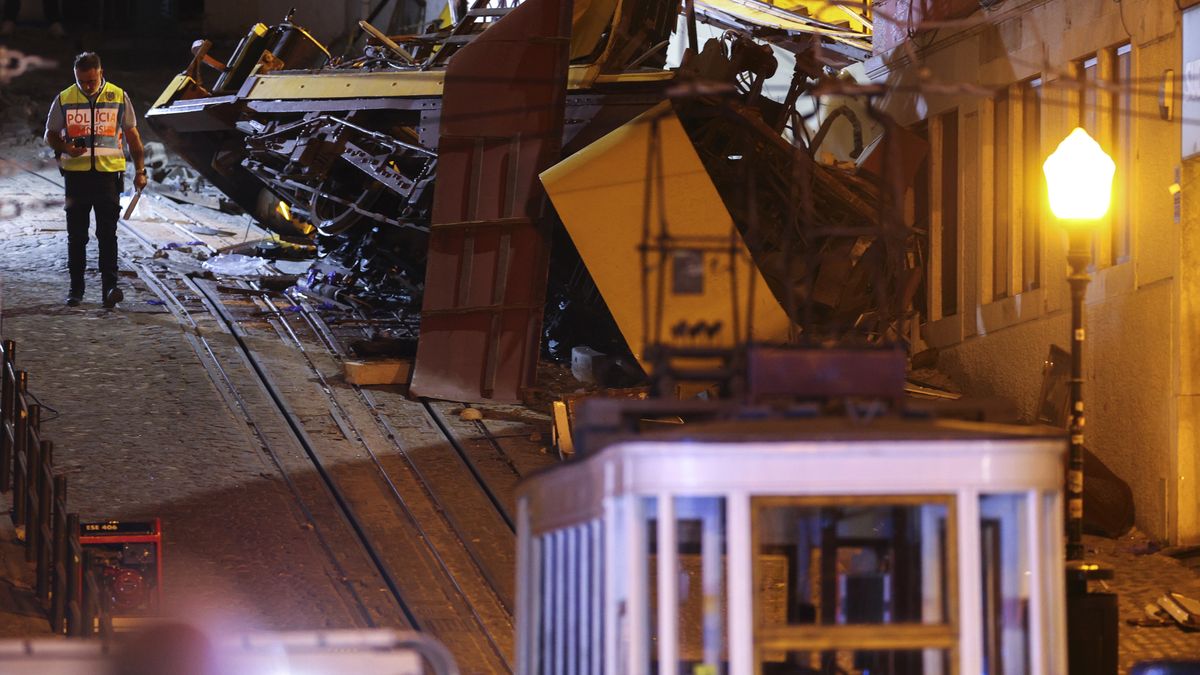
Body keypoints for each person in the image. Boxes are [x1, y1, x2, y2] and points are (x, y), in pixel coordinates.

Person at [44, 51, 147, 307]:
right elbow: (50, 134)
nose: (87, 86)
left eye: (91, 81)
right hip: (76, 178)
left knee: (107, 234)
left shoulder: (118, 96)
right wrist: (66, 148)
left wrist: (140, 171)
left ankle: (110, 289)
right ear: (75, 76)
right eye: (81, 81)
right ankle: (76, 290)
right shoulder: (65, 98)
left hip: (107, 176)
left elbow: (133, 136)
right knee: (77, 236)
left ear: (101, 73)